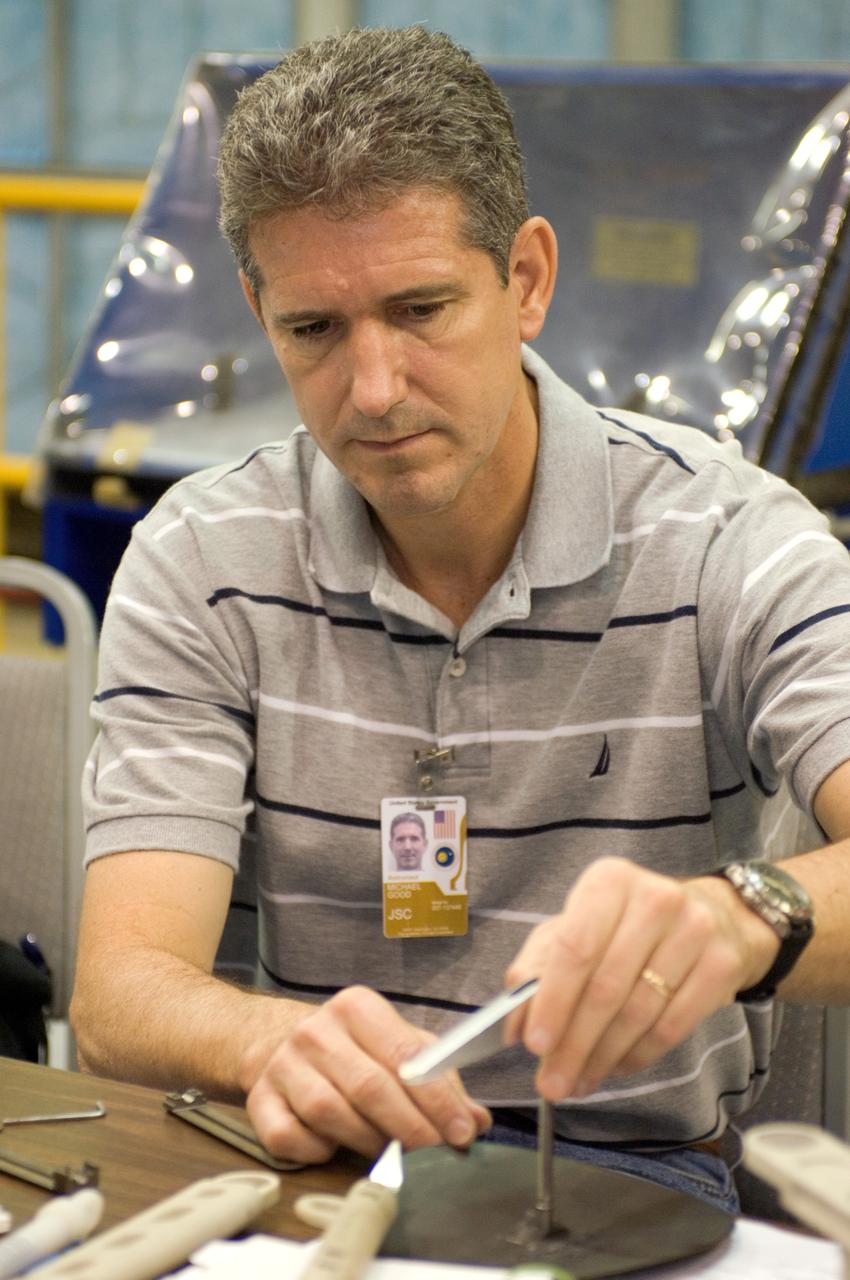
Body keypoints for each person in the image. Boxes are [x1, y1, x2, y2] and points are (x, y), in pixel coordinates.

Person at [71, 25, 850, 1213]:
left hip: (622, 1181)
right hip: (303, 1171)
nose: (374, 389)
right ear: (257, 309)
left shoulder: (727, 539)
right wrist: (260, 1039)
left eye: (421, 308)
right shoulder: (204, 558)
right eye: (313, 329)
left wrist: (745, 916)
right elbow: (120, 992)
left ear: (525, 279)